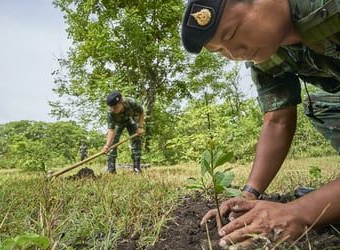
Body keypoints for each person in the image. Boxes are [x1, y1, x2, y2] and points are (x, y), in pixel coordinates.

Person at [181, 0, 340, 247]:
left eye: (231, 34)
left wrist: (300, 212)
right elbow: (277, 120)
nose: (234, 53)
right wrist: (249, 194)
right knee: (320, 104)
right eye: (221, 51)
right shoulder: (267, 52)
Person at [102, 91, 145, 173]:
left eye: (116, 107)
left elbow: (141, 112)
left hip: (131, 120)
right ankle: (111, 169)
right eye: (112, 108)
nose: (113, 110)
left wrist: (140, 127)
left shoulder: (131, 102)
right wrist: (107, 145)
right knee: (113, 142)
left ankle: (137, 168)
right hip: (118, 123)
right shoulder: (110, 113)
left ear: (121, 102)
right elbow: (111, 130)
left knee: (136, 140)